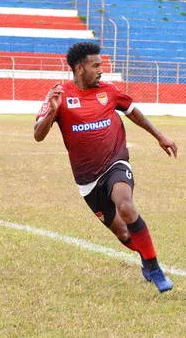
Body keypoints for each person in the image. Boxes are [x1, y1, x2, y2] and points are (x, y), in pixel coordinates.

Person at [34, 42, 178, 293]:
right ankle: (145, 256)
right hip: (87, 180)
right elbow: (38, 135)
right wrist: (51, 113)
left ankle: (154, 268)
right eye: (96, 65)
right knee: (124, 235)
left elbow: (134, 113)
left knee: (125, 204)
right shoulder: (58, 95)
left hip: (115, 163)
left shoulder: (109, 91)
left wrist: (160, 136)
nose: (102, 70)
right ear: (79, 68)